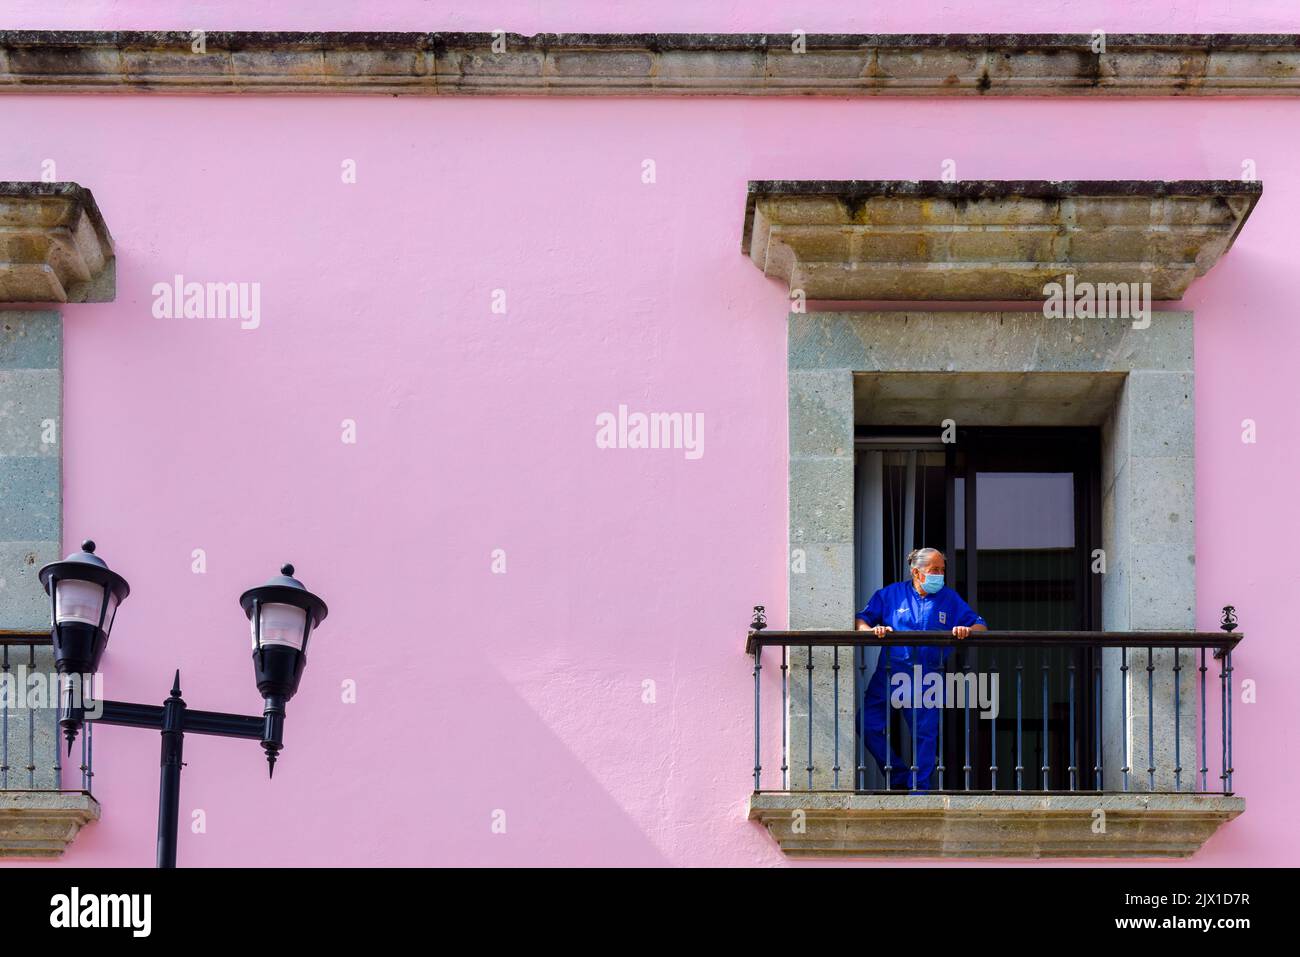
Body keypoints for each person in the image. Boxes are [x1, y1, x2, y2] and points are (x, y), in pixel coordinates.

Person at [856, 547, 987, 791]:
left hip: (927, 674)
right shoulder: (891, 595)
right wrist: (872, 631)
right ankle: (897, 777)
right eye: (934, 570)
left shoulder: (948, 598)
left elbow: (979, 624)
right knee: (866, 724)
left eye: (942, 570)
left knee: (925, 736)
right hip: (890, 672)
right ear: (916, 572)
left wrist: (967, 630)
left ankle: (919, 789)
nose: (939, 575)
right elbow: (862, 619)